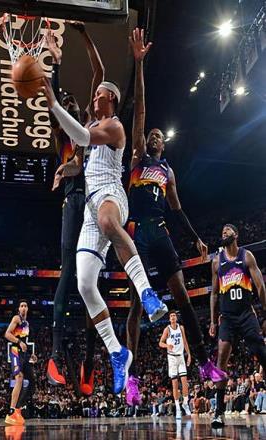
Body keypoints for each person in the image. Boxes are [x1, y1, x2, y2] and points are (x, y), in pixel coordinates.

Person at [41, 51, 168, 395]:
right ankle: (116, 352)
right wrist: (63, 169)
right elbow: (79, 160)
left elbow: (82, 137)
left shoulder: (114, 127)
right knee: (84, 283)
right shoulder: (90, 129)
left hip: (112, 195)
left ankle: (147, 292)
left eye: (98, 93)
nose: (93, 96)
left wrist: (53, 103)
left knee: (108, 221)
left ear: (110, 97)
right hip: (89, 209)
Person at [125, 27, 226, 406]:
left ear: (163, 143)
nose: (153, 136)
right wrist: (139, 65)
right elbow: (140, 111)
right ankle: (132, 378)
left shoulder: (167, 171)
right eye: (150, 134)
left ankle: (204, 362)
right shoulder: (138, 158)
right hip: (136, 233)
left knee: (182, 296)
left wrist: (196, 237)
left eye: (158, 135)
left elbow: (178, 208)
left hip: (161, 231)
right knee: (136, 305)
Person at [45, 21, 100, 394]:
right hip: (73, 202)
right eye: (64, 105)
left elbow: (97, 79)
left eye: (72, 103)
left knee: (91, 282)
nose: (68, 104)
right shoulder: (63, 135)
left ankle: (89, 363)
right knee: (68, 273)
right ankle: (54, 354)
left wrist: (77, 43)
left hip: (93, 204)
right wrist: (56, 62)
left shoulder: (91, 129)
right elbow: (55, 98)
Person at [209, 224, 266, 428]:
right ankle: (219, 412)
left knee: (261, 352)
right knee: (221, 361)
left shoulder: (246, 256)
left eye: (228, 230)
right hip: (227, 318)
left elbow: (260, 286)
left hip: (246, 314)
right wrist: (213, 320)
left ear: (236, 235)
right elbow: (214, 293)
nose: (224, 232)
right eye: (222, 231)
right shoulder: (217, 262)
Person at [4, 301, 36, 425]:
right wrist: (19, 342)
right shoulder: (16, 318)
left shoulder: (27, 323)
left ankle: (18, 407)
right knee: (19, 378)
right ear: (19, 309)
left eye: (25, 306)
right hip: (15, 351)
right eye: (21, 306)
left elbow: (25, 341)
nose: (23, 308)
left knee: (32, 381)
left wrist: (31, 354)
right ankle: (12, 411)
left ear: (28, 309)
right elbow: (7, 334)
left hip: (24, 354)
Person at [158, 311, 192, 418]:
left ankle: (185, 403)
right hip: (172, 357)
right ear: (169, 319)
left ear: (176, 318)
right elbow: (160, 342)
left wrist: (189, 354)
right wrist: (167, 346)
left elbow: (185, 341)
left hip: (181, 356)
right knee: (175, 384)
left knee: (184, 382)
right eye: (171, 316)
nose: (173, 317)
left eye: (174, 315)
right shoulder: (167, 329)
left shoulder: (181, 328)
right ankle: (177, 407)